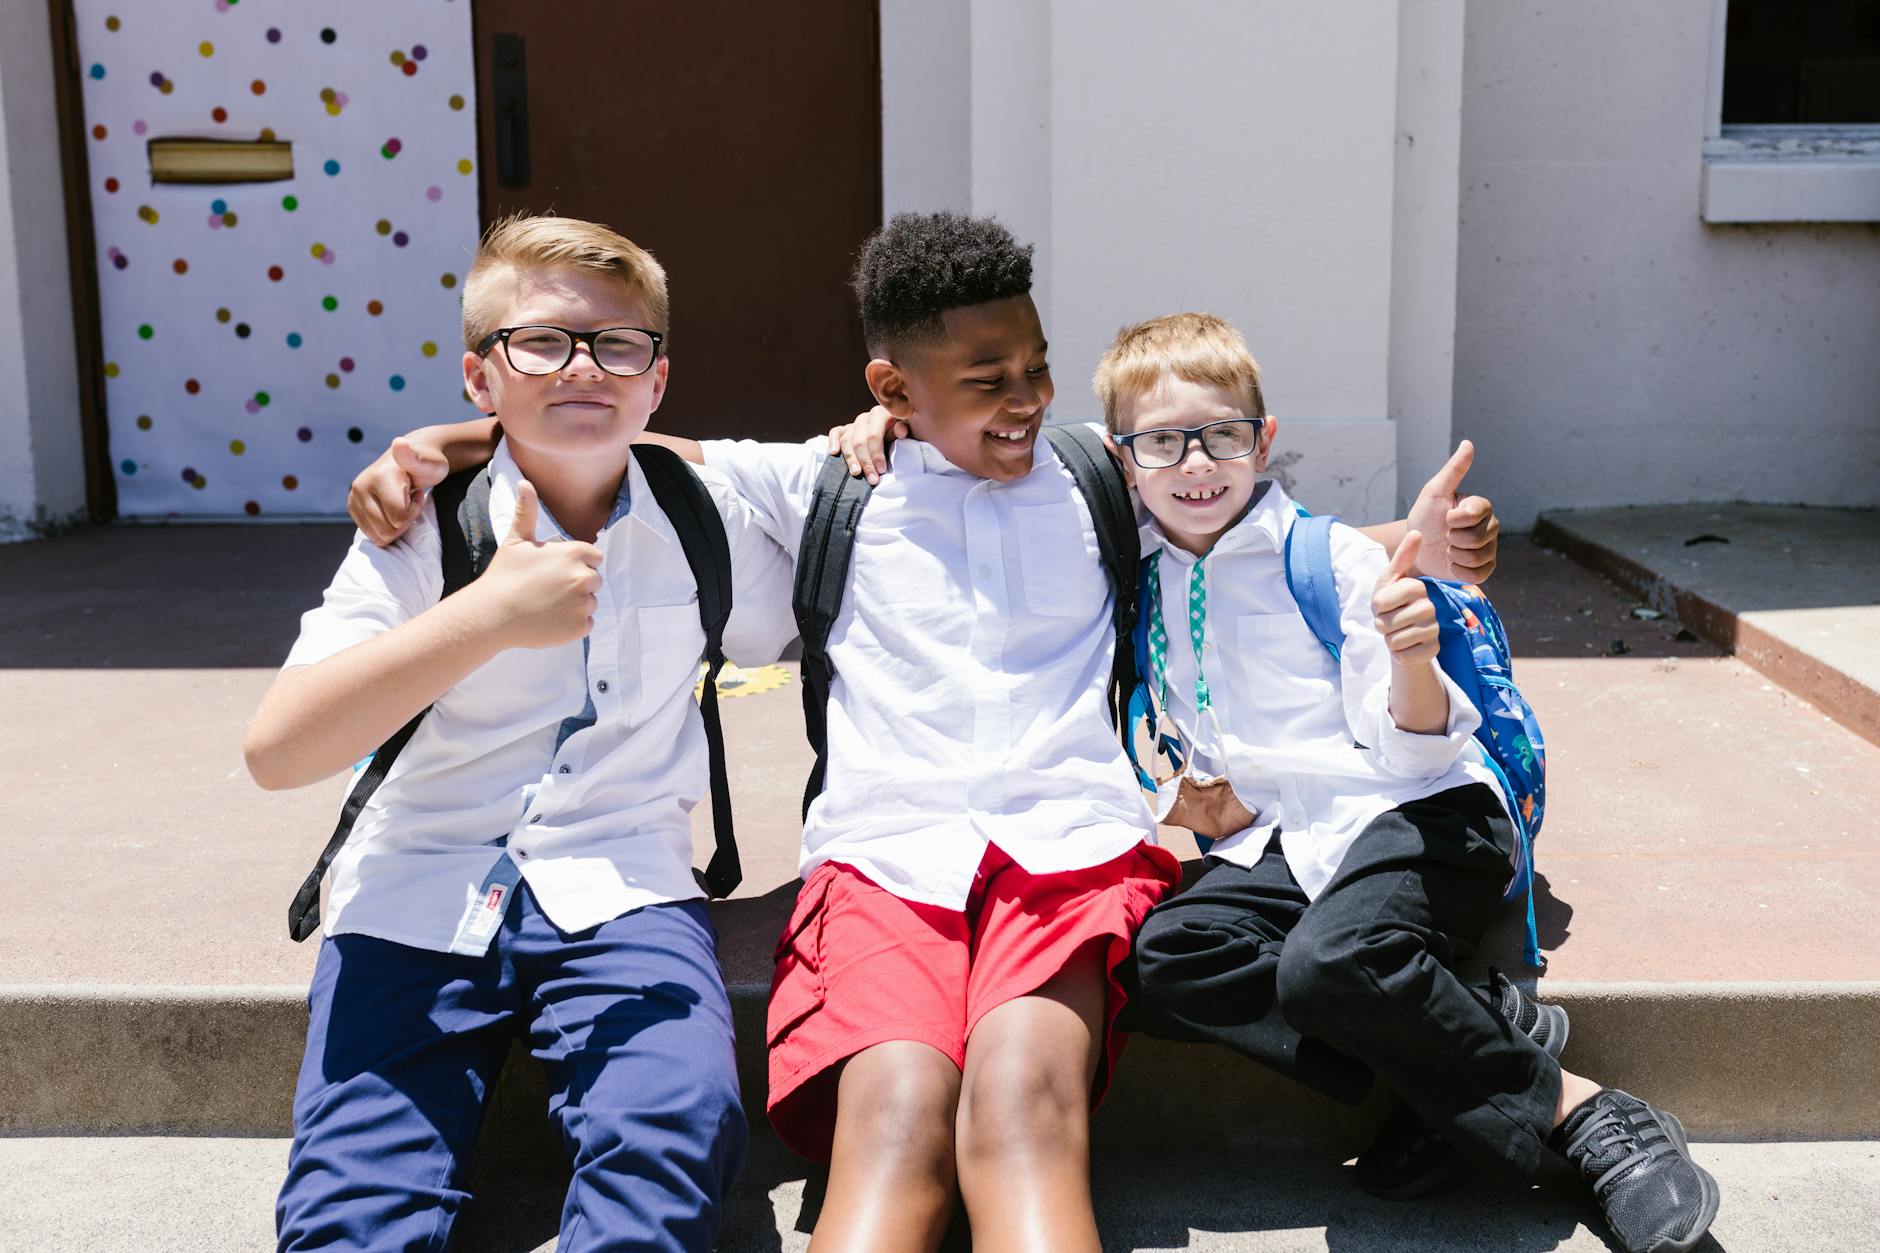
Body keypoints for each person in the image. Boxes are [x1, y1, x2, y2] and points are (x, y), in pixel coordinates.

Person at [347, 212, 1500, 1253]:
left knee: (1018, 1117)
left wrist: (1410, 546)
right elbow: (604, 442)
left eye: (1038, 368)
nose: (1026, 398)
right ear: (892, 389)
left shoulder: (1098, 477)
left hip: (1066, 855)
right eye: (986, 378)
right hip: (882, 863)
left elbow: (1235, 510)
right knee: (893, 1126)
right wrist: (439, 445)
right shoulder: (823, 487)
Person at [1098, 311, 1720, 1253]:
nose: (1196, 462)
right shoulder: (1135, 572)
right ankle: (1465, 1031)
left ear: (1262, 442)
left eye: (1222, 433)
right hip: (1273, 840)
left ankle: (1590, 1117)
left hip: (1419, 810)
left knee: (1330, 963)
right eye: (1161, 441)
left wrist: (1413, 656)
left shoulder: (1335, 559)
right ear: (1124, 458)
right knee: (1158, 957)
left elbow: (1416, 756)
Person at [246, 215, 796, 1252]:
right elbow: (278, 749)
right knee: (352, 1196)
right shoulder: (420, 528)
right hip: (419, 881)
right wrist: (485, 614)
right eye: (540, 341)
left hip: (622, 881)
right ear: (478, 375)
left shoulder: (710, 519)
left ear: (656, 379)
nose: (582, 366)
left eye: (615, 344)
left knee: (669, 1135)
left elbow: (875, 532)